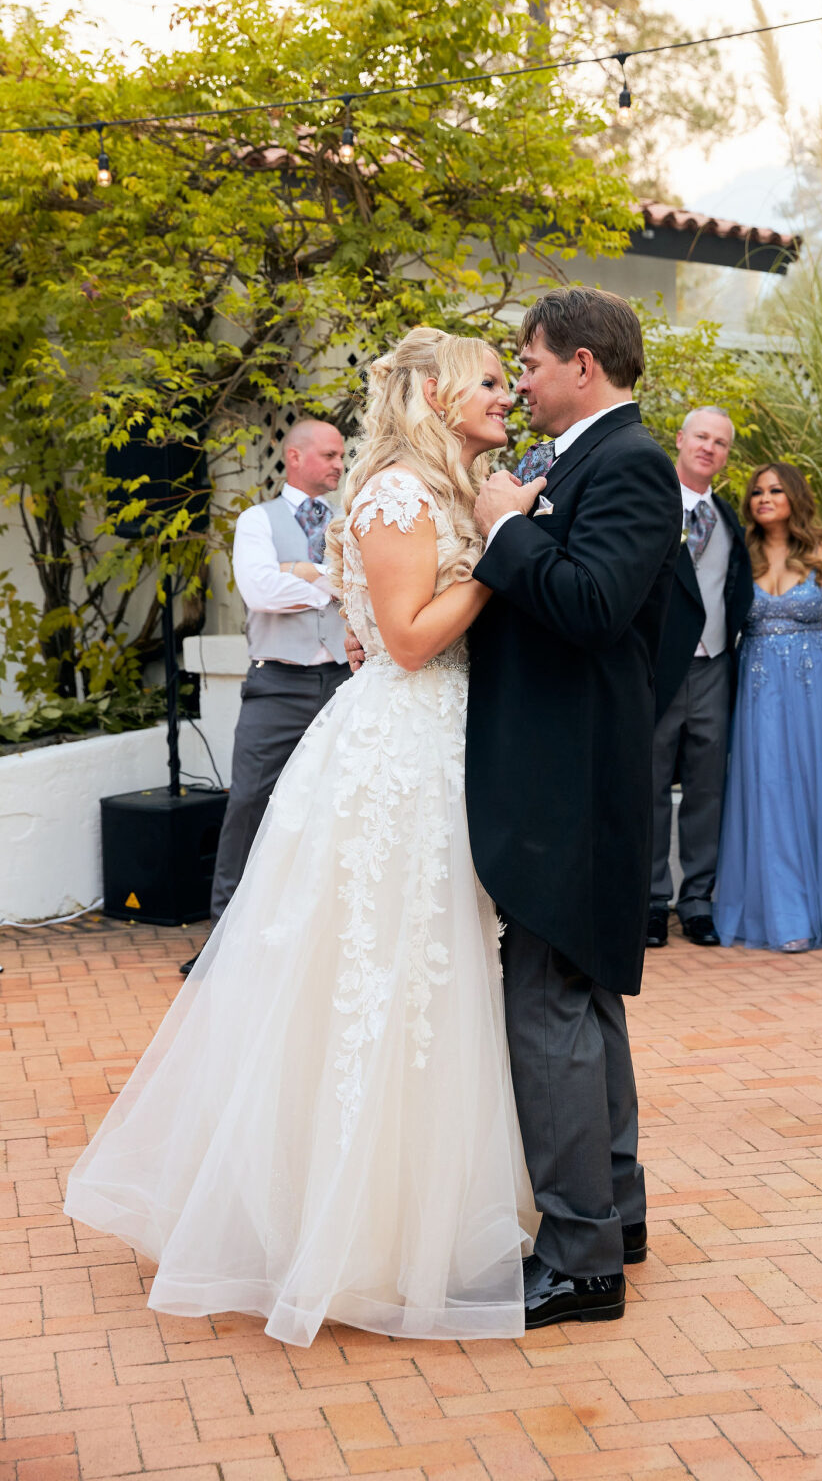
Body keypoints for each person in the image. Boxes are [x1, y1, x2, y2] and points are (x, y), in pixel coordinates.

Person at [65, 330, 534, 1345]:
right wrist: (502, 553)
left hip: (443, 743)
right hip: (401, 752)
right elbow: (407, 639)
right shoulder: (396, 494)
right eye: (492, 381)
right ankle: (342, 1233)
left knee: (433, 971)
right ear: (436, 394)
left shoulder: (448, 488)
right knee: (376, 971)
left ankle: (424, 1214)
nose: (508, 394)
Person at [467, 289, 682, 1331]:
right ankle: (615, 1216)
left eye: (531, 363)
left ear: (583, 365)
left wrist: (507, 529)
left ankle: (581, 1259)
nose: (521, 382)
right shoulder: (581, 460)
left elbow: (598, 607)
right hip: (573, 763)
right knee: (583, 995)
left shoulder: (630, 462)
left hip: (572, 774)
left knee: (548, 1002)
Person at [179, 419, 350, 976]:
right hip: (277, 684)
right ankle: (223, 942)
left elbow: (363, 584)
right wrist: (329, 582)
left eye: (341, 456)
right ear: (294, 457)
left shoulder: (348, 519)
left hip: (345, 681)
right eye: (329, 455)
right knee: (249, 804)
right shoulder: (257, 520)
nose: (339, 464)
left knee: (339, 806)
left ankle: (319, 941)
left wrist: (300, 571)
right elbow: (259, 590)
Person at [714, 463, 822, 952]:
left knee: (812, 791)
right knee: (768, 790)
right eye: (757, 492)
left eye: (776, 490)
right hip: (759, 687)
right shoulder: (740, 555)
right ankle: (786, 916)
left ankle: (820, 907)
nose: (764, 498)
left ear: (794, 497)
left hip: (813, 686)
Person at [647, 407, 754, 949]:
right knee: (649, 788)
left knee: (707, 790)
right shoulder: (651, 505)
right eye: (702, 437)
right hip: (659, 667)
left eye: (721, 442)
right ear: (681, 439)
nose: (710, 447)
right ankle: (650, 902)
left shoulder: (729, 519)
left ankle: (696, 903)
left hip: (715, 666)